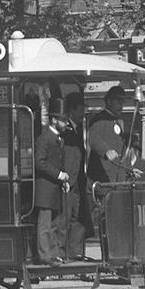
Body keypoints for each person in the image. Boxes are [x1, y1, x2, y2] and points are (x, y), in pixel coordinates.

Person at [33, 110, 70, 264]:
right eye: (63, 120)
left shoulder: (57, 138)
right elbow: (39, 162)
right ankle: (45, 255)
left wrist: (63, 180)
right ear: (54, 120)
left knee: (54, 224)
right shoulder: (44, 138)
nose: (66, 123)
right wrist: (59, 175)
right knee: (45, 225)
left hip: (54, 188)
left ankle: (53, 254)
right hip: (45, 188)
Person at [58, 94, 89, 261]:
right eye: (80, 109)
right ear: (72, 111)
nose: (82, 113)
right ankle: (61, 253)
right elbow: (64, 156)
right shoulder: (66, 129)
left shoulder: (78, 128)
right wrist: (64, 177)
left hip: (77, 181)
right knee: (65, 217)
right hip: (68, 180)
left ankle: (73, 252)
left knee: (76, 216)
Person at [86, 86, 130, 185]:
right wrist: (106, 150)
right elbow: (93, 138)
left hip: (118, 178)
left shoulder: (118, 121)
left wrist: (129, 169)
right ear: (109, 102)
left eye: (122, 102)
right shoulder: (99, 119)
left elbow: (122, 149)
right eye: (118, 102)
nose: (121, 106)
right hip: (103, 177)